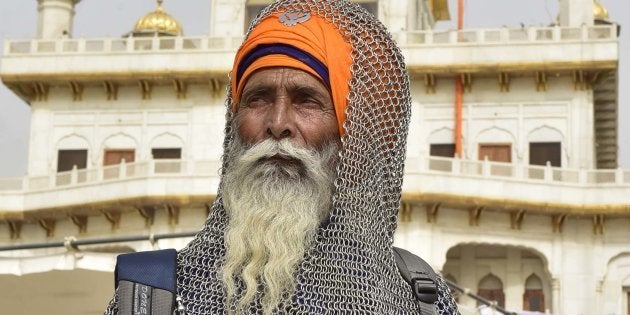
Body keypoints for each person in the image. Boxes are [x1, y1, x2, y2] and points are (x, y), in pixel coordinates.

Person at [106, 0, 459, 314]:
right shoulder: (153, 298)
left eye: (307, 100)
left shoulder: (417, 299)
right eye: (258, 99)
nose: (277, 124)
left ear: (354, 135)